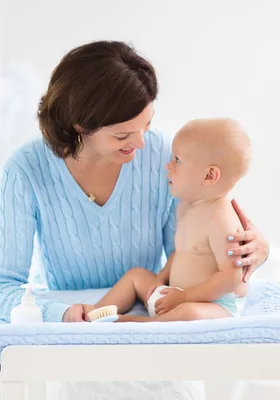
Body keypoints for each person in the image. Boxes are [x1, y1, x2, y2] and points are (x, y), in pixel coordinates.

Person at [0, 40, 269, 325]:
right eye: (123, 136)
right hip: (75, 327)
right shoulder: (26, 171)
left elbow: (189, 256)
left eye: (146, 125)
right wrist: (60, 314)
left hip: (151, 320)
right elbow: (1, 287)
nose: (141, 143)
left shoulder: (165, 158)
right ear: (80, 126)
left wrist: (253, 252)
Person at [90, 118, 252, 322]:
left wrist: (185, 297)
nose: (168, 166)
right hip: (175, 295)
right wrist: (160, 279)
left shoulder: (222, 219)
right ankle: (95, 313)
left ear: (209, 175)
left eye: (177, 160)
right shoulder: (186, 206)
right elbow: (181, 252)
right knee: (136, 276)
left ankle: (141, 323)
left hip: (213, 305)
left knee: (189, 313)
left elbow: (231, 278)